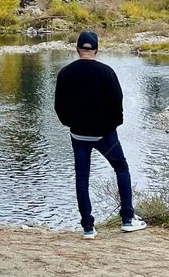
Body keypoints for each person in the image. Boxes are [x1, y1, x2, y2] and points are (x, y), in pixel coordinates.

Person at [54, 30, 146, 238]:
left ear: (77, 49)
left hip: (78, 135)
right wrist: (112, 126)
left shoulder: (65, 73)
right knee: (121, 168)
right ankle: (128, 219)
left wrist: (70, 124)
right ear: (96, 49)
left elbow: (59, 106)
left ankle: (88, 227)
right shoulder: (106, 72)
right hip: (105, 135)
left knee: (82, 178)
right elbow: (117, 103)